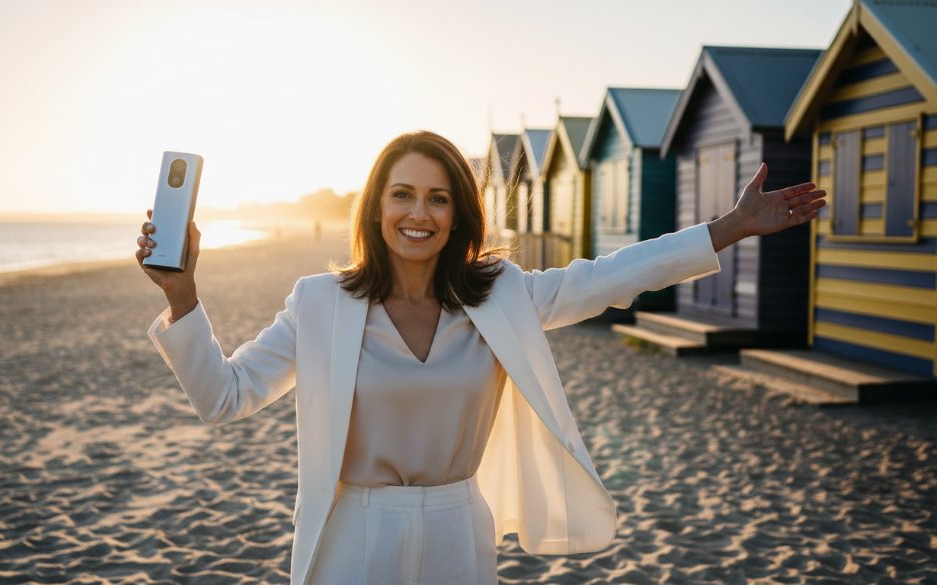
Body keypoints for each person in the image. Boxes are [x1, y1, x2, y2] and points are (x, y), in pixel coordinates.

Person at [136, 131, 825, 585]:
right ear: (375, 207)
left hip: (458, 533)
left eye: (438, 197)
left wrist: (730, 227)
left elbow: (612, 275)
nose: (419, 212)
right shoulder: (319, 303)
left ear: (459, 214)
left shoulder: (501, 295)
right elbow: (222, 395)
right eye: (402, 193)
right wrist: (182, 292)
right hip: (350, 537)